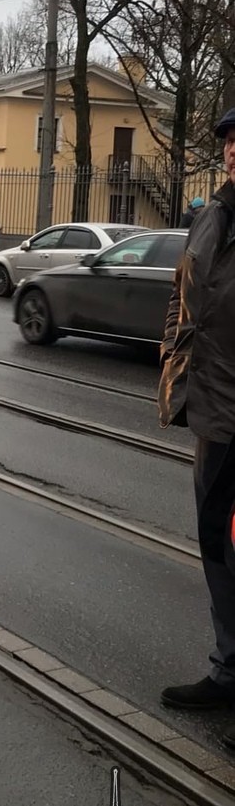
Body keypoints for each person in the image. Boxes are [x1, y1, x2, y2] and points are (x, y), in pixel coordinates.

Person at [159, 106, 235, 745]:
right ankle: (229, 668)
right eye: (232, 142)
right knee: (217, 539)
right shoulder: (212, 216)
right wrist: (172, 363)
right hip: (215, 409)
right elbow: (183, 296)